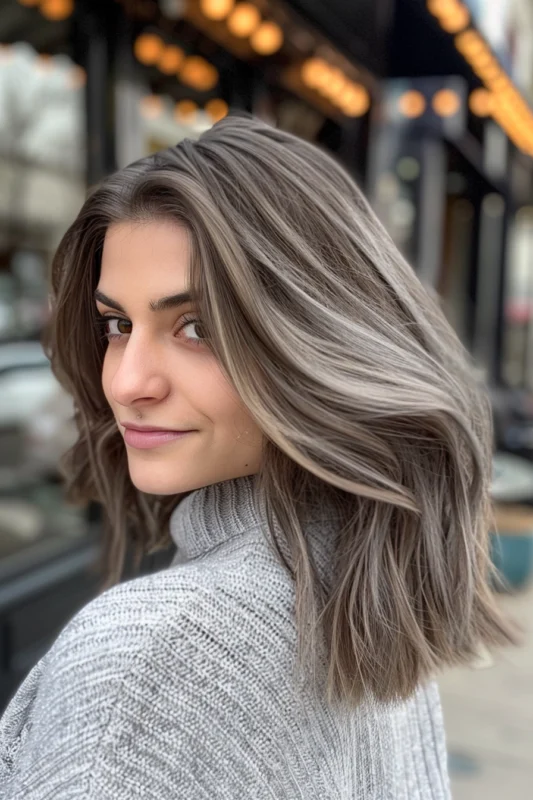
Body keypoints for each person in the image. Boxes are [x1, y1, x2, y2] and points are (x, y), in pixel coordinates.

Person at [0, 113, 517, 798]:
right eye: (117, 325)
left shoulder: (152, 657)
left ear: (317, 339)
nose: (127, 382)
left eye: (196, 326)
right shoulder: (366, 588)